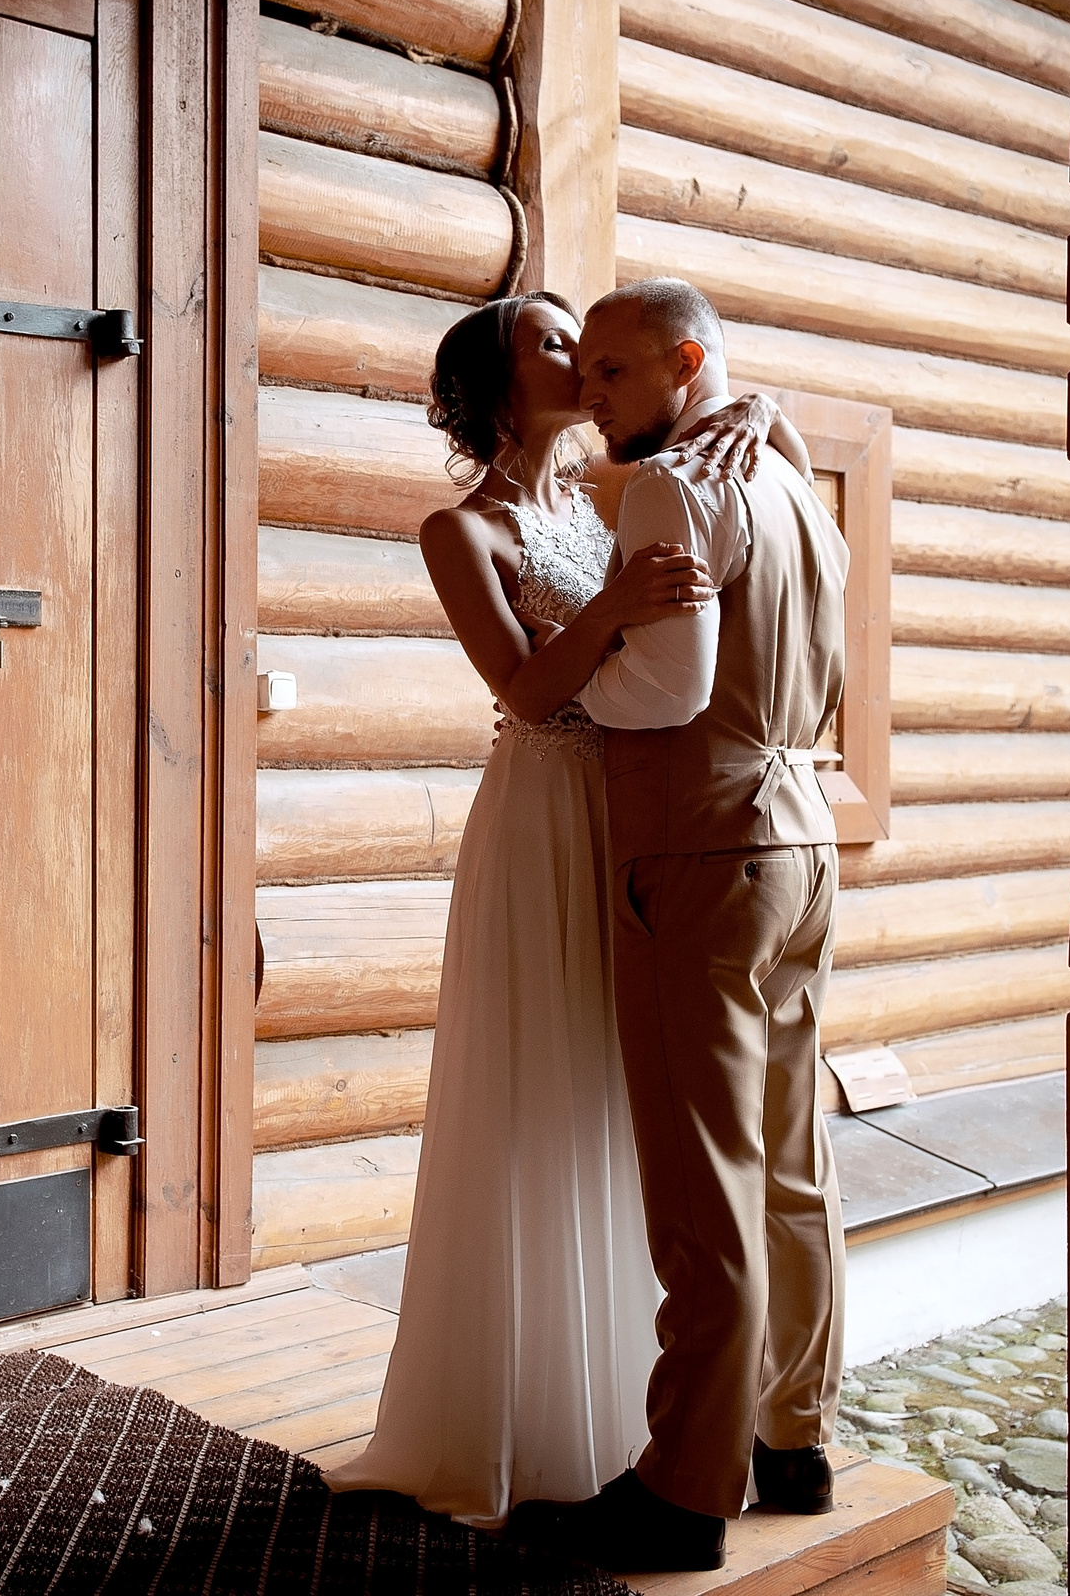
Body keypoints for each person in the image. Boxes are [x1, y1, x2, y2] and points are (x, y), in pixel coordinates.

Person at [321, 289, 777, 1528]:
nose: (583, 356)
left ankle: (635, 1417)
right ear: (495, 384)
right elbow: (525, 691)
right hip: (539, 814)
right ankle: (514, 1411)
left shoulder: (597, 498)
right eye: (554, 343)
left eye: (587, 338)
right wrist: (617, 610)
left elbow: (715, 432)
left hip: (631, 812)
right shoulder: (455, 530)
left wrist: (761, 405)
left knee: (621, 1093)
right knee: (538, 1088)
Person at [507, 278, 850, 1574]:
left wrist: (569, 643)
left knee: (705, 1181)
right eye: (579, 370)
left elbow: (663, 695)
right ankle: (793, 1440)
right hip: (801, 842)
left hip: (704, 844)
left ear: (685, 362)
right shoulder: (794, 484)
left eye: (612, 372)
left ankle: (684, 1488)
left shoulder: (671, 491)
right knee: (790, 1156)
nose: (590, 394)